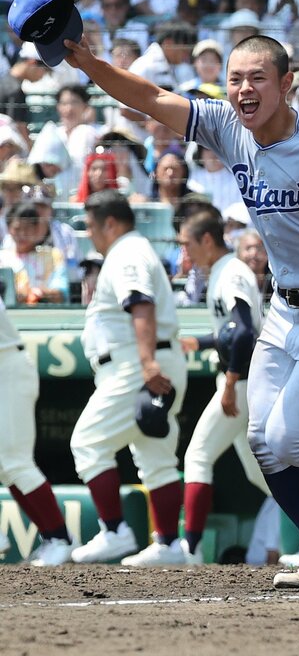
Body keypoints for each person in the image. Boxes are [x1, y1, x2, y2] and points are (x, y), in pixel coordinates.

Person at [60, 30, 299, 589]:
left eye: (258, 77)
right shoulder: (227, 126)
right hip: (281, 308)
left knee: (289, 442)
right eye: (235, 78)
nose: (244, 89)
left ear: (286, 84)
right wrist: (89, 64)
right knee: (263, 442)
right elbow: (149, 97)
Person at [64, 193, 189, 565]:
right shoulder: (131, 250)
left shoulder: (126, 252)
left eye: (91, 226)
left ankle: (115, 531)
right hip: (146, 360)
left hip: (137, 364)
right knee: (155, 457)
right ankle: (169, 545)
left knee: (88, 443)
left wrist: (147, 363)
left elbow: (140, 303)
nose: (89, 234)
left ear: (110, 223)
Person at [176, 208, 266, 563]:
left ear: (207, 240)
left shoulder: (231, 272)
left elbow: (244, 333)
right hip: (241, 378)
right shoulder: (221, 271)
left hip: (240, 380)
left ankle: (191, 548)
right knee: (260, 474)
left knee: (197, 455)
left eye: (188, 244)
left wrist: (230, 383)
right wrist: (199, 342)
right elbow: (228, 334)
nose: (185, 252)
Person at [0, 293, 74, 564]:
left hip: (8, 369)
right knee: (6, 467)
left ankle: (62, 538)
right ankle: (53, 536)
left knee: (15, 462)